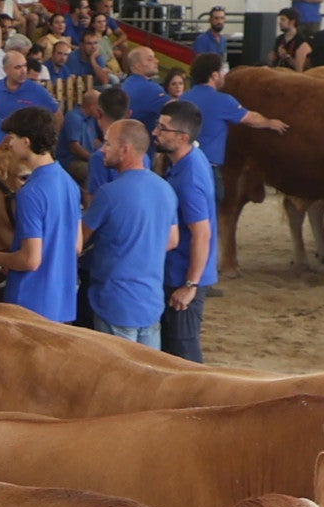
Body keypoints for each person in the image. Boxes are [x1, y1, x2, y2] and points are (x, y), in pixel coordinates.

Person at [0, 110, 82, 326]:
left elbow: (30, 260)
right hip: (63, 306)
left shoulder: (31, 192)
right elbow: (76, 245)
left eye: (13, 137)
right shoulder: (69, 184)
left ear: (26, 142)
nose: (9, 144)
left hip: (29, 308)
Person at [80, 122, 176, 345]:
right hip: (150, 302)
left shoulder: (108, 194)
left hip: (115, 302)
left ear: (125, 150)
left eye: (107, 143)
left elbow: (78, 242)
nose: (102, 149)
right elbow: (172, 240)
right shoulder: (165, 189)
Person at [150, 101, 224, 361]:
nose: (155, 132)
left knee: (183, 350)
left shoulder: (190, 178)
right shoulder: (186, 159)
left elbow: (202, 233)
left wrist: (190, 285)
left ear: (182, 137)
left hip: (183, 276)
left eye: (162, 128)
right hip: (178, 271)